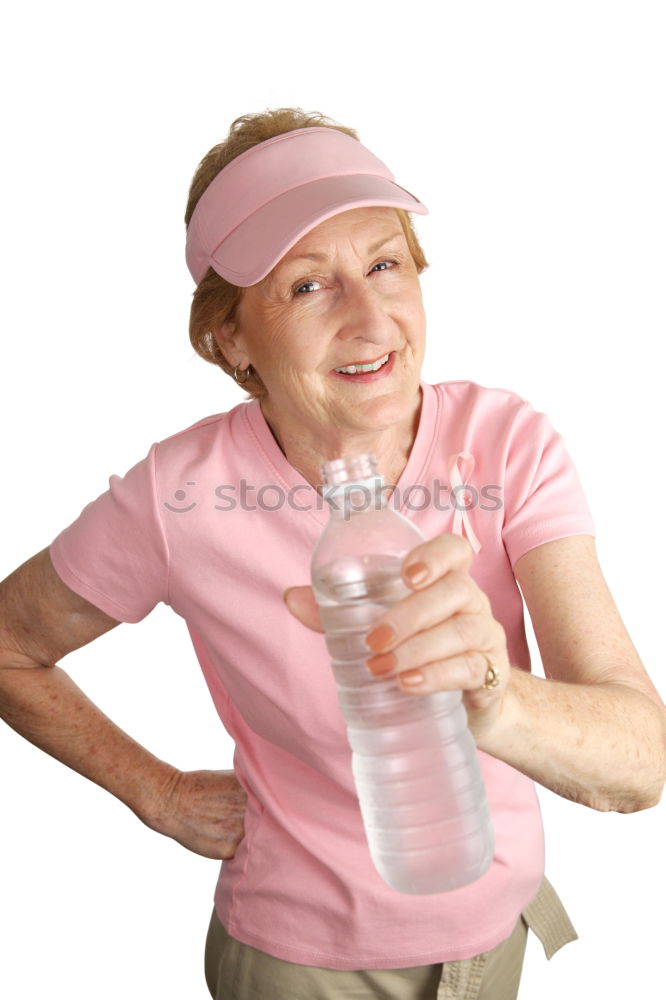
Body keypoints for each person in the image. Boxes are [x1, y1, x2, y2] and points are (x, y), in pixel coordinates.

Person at [0, 107, 663, 1000]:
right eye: (308, 285)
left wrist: (495, 701)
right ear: (230, 339)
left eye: (385, 264)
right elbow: (8, 643)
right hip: (304, 966)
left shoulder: (506, 443)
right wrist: (153, 792)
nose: (370, 317)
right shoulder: (179, 493)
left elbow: (642, 764)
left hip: (495, 938)